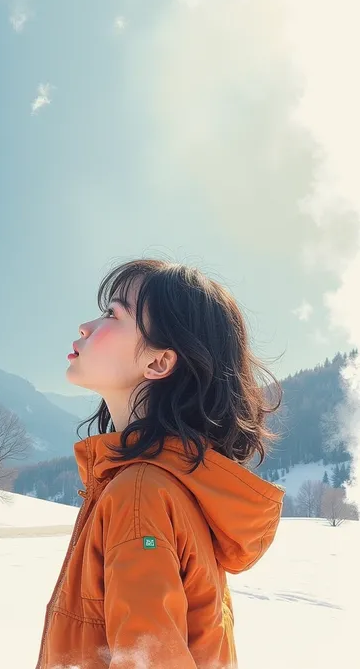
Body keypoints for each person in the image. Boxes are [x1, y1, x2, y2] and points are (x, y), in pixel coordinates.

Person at [35, 258, 285, 669]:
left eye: (113, 314)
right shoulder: (168, 485)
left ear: (158, 362)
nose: (85, 326)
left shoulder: (141, 494)